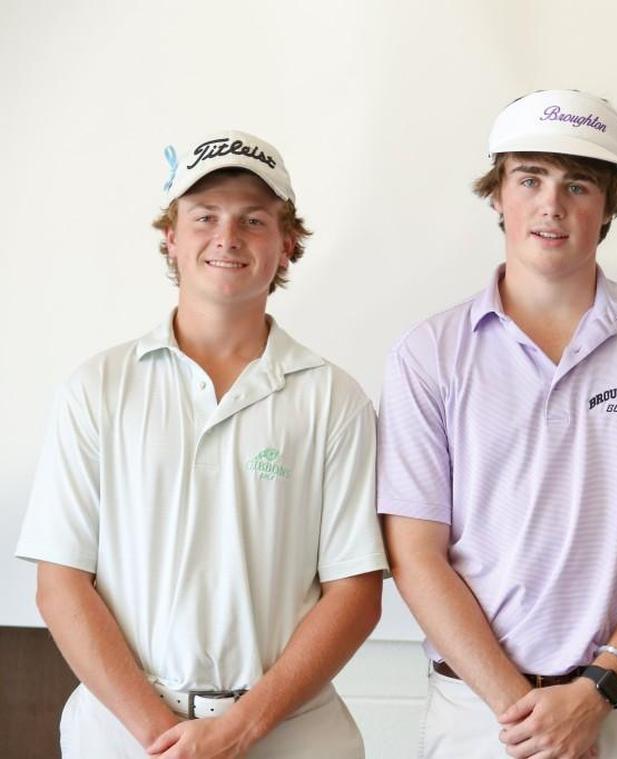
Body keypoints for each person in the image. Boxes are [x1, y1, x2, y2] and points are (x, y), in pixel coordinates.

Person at [16, 130, 387, 758]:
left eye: (254, 220)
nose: (228, 237)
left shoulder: (334, 399)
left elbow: (355, 593)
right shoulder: (98, 389)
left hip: (290, 731)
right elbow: (61, 584)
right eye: (204, 217)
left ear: (288, 244)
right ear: (171, 236)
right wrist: (165, 740)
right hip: (122, 729)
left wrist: (240, 728)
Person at [378, 89, 617, 758]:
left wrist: (598, 690)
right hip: (481, 711)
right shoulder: (429, 353)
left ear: (608, 206)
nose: (552, 205)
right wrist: (528, 715)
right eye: (529, 178)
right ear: (497, 194)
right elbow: (416, 553)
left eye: (579, 185)